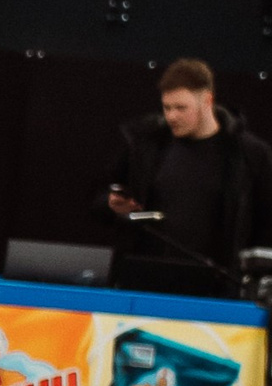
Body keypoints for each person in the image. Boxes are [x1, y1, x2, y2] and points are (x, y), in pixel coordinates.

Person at [103, 59, 272, 273]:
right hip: (149, 274)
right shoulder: (147, 144)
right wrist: (115, 205)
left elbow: (265, 223)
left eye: (181, 108)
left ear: (207, 101)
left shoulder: (249, 154)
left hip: (219, 282)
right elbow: (102, 197)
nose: (172, 116)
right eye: (167, 107)